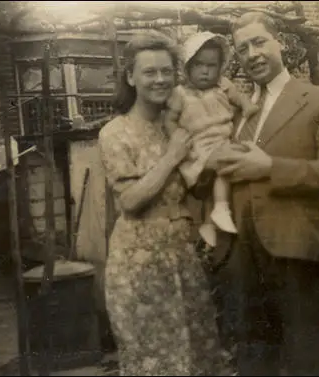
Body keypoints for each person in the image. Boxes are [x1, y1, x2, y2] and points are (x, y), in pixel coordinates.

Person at [198, 12, 319, 376]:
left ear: (280, 42)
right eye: (242, 49)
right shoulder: (235, 114)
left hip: (295, 251)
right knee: (253, 363)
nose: (251, 54)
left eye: (259, 42)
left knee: (306, 362)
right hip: (241, 259)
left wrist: (270, 168)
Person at [98, 31, 233, 376]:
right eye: (149, 72)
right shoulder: (116, 131)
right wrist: (173, 157)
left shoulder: (182, 122)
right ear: (131, 77)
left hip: (182, 254)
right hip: (139, 262)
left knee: (198, 355)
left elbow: (196, 188)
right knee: (155, 361)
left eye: (166, 70)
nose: (160, 79)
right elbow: (129, 201)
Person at [164, 31, 258, 247]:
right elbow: (169, 120)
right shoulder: (180, 94)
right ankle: (221, 208)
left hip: (222, 142)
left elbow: (242, 102)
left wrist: (248, 107)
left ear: (220, 67)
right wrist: (177, 142)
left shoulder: (224, 86)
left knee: (223, 171)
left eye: (211, 65)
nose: (205, 71)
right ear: (187, 67)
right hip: (197, 149)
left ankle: (208, 222)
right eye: (198, 65)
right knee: (224, 166)